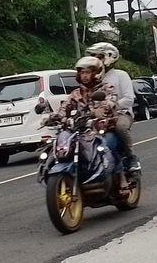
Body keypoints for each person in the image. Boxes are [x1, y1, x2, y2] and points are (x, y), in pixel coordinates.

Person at [49, 56, 128, 193]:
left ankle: (122, 178)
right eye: (82, 72)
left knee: (108, 144)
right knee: (63, 144)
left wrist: (103, 108)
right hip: (82, 131)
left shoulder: (106, 88)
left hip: (103, 128)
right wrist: (54, 117)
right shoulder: (76, 93)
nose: (84, 76)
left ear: (96, 73)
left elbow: (111, 102)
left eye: (88, 72)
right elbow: (64, 108)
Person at [84, 42, 140, 172]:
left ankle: (131, 157)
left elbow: (129, 99)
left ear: (109, 57)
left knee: (120, 128)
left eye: (98, 57)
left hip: (121, 114)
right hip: (99, 117)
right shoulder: (93, 79)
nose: (95, 60)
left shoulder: (121, 75)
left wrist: (113, 105)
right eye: (92, 57)